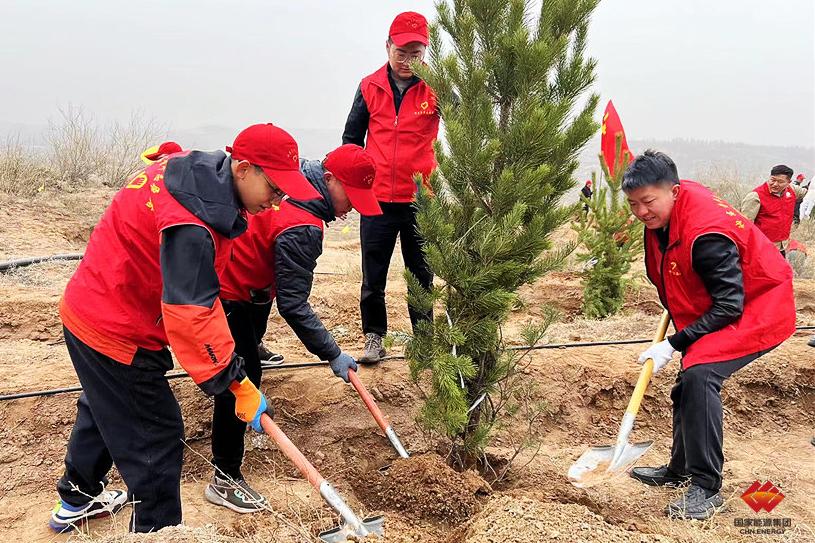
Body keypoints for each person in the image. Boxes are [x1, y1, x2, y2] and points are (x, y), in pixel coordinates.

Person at [50, 124, 320, 533]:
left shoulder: (194, 171)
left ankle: (77, 495)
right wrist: (235, 380)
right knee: (157, 436)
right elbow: (191, 312)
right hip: (118, 326)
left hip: (92, 304)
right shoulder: (194, 223)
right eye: (274, 189)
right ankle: (158, 533)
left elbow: (160, 156)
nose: (279, 201)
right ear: (244, 169)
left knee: (106, 402)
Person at [207, 144, 381, 512]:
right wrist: (332, 352)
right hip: (230, 286)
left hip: (244, 278)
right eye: (351, 196)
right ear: (330, 179)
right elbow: (293, 304)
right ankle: (224, 475)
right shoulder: (303, 226)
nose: (352, 209)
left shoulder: (296, 173)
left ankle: (249, 348)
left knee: (247, 344)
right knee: (241, 377)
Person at [623, 151, 795, 520]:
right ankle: (680, 469)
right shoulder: (667, 216)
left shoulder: (707, 234)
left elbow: (729, 306)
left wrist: (674, 343)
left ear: (674, 190)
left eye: (648, 202)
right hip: (726, 304)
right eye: (633, 204)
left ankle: (706, 486)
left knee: (701, 376)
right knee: (687, 382)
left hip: (760, 303)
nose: (641, 212)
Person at [342, 11, 438, 364]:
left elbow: (464, 131)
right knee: (373, 273)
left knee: (421, 273)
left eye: (415, 54)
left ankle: (425, 342)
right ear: (387, 47)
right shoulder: (369, 86)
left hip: (420, 199)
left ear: (426, 51)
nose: (407, 61)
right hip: (377, 198)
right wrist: (355, 187)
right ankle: (373, 338)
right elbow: (351, 140)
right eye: (401, 52)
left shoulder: (437, 88)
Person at [741, 165, 808, 255]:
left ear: (789, 182)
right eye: (773, 180)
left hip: (783, 245)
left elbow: (808, 194)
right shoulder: (755, 196)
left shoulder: (792, 190)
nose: (775, 184)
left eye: (780, 182)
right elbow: (745, 224)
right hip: (762, 247)